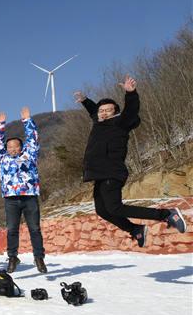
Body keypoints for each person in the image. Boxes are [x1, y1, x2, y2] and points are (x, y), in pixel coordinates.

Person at [75, 75, 186, 246]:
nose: (104, 112)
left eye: (108, 110)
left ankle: (167, 214)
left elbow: (131, 111)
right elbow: (93, 111)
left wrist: (131, 93)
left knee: (115, 208)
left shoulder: (120, 122)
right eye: (101, 110)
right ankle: (135, 229)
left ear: (116, 112)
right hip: (99, 174)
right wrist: (85, 100)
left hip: (111, 171)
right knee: (103, 210)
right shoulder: (98, 123)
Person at [0, 106, 47, 273]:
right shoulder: (2, 158)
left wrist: (27, 121)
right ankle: (12, 257)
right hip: (10, 198)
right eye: (9, 147)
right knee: (12, 230)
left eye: (15, 146)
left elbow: (33, 138)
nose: (12, 149)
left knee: (35, 229)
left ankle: (39, 258)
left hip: (29, 196)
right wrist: (0, 126)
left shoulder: (29, 155)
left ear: (21, 147)